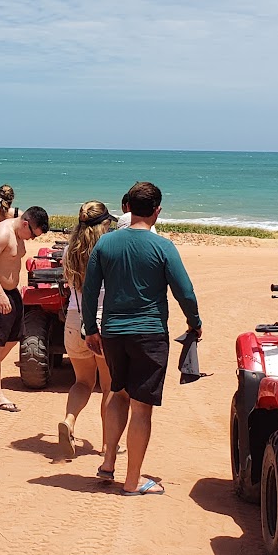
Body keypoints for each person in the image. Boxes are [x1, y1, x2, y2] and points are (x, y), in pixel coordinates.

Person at [83, 181, 201, 495]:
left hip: (113, 334)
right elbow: (184, 292)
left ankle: (108, 463)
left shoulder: (105, 244)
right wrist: (195, 323)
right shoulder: (163, 247)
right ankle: (132, 482)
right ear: (157, 211)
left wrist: (90, 329)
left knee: (117, 393)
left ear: (128, 207)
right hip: (149, 333)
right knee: (141, 408)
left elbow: (90, 290)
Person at [0, 204, 50, 412]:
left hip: (11, 292)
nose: (32, 239)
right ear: (26, 224)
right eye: (33, 234)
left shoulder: (20, 231)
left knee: (14, 338)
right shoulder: (3, 233)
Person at [57, 200, 115, 460]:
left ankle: (69, 421)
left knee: (82, 382)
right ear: (103, 224)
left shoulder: (70, 249)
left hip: (73, 318)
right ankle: (107, 444)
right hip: (103, 322)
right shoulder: (109, 249)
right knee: (109, 387)